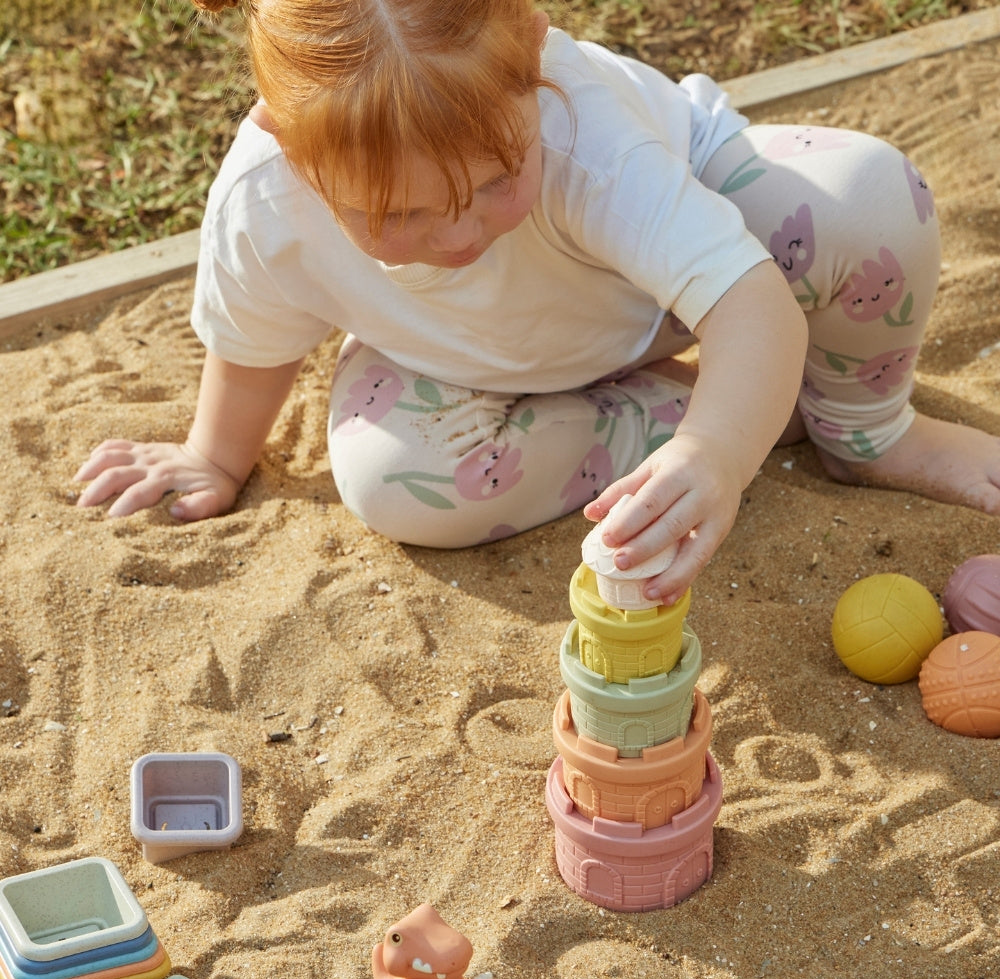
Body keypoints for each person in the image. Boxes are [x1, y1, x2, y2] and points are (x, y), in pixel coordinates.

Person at [74, 0, 1000, 607]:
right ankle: (750, 406)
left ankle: (865, 430)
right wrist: (213, 455)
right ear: (290, 146)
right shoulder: (265, 201)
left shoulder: (585, 132)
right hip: (473, 354)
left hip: (671, 289)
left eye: (494, 181)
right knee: (392, 483)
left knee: (869, 201)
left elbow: (751, 300)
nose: (457, 233)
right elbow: (255, 339)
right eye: (397, 213)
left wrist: (717, 457)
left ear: (535, 56)